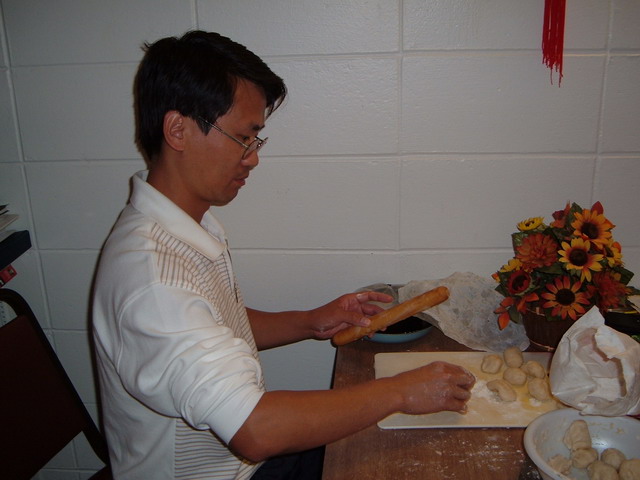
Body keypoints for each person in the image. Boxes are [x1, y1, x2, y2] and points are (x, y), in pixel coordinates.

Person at [91, 30, 475, 480]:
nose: (252, 158)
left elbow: (214, 325)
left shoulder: (185, 227)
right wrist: (400, 392)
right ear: (178, 130)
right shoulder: (153, 280)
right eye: (243, 137)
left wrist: (310, 321)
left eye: (256, 140)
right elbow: (256, 430)